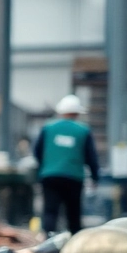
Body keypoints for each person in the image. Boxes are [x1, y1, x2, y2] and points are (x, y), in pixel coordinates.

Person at [34, 94, 100, 234]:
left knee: (50, 211)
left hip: (50, 176)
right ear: (77, 113)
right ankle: (74, 245)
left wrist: (45, 167)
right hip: (73, 177)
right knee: (73, 214)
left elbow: (37, 151)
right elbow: (91, 157)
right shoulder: (83, 130)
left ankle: (48, 241)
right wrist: (95, 177)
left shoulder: (48, 128)